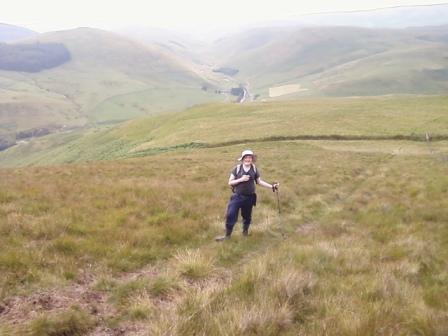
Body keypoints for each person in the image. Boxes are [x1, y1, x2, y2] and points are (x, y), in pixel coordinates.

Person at [215, 149, 279, 241]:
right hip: (237, 197)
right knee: (231, 215)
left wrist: (272, 187)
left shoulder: (254, 169)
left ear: (252, 159)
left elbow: (259, 181)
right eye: (246, 157)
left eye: (250, 158)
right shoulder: (236, 169)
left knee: (247, 216)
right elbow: (230, 182)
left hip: (249, 197)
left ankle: (245, 233)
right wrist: (241, 179)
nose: (248, 159)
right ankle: (227, 236)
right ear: (242, 159)